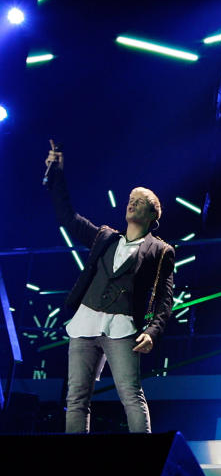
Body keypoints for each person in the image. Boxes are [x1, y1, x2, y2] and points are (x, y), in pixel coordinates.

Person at [45, 148, 175, 433]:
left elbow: (165, 299)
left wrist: (152, 332)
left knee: (131, 395)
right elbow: (68, 218)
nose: (132, 204)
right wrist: (56, 174)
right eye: (131, 200)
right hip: (85, 323)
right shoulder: (105, 237)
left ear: (154, 214)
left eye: (140, 201)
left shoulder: (161, 250)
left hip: (123, 328)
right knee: (76, 397)